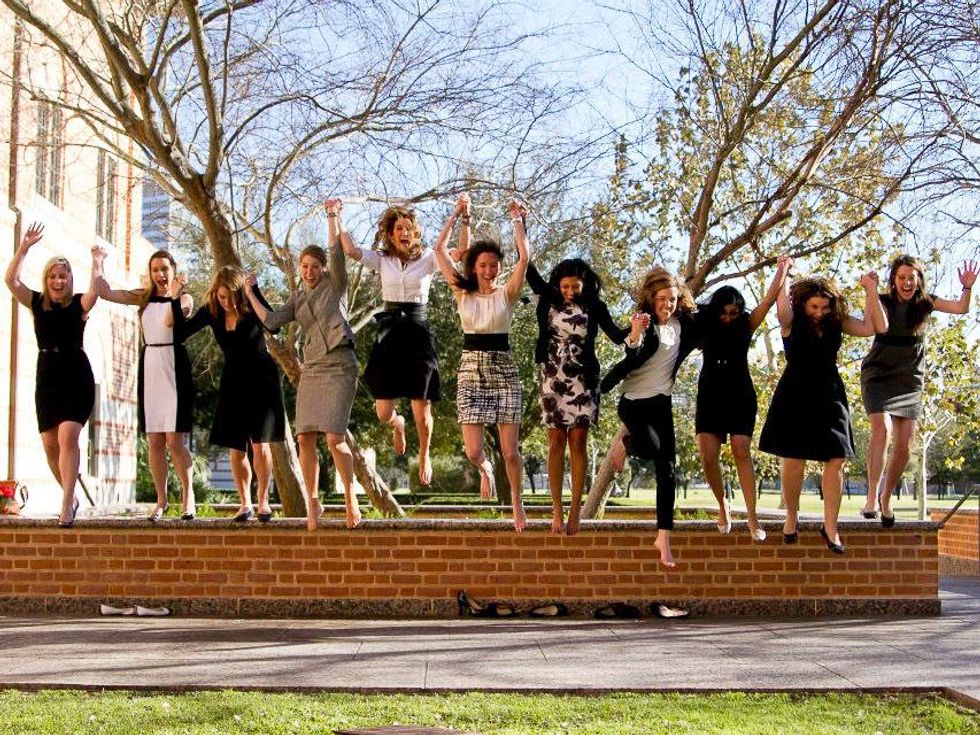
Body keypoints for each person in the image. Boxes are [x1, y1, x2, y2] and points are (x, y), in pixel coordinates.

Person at [244, 201, 360, 530]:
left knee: (335, 438)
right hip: (312, 369)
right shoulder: (298, 298)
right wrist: (251, 293)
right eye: (304, 266)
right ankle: (313, 502)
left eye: (314, 266)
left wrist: (332, 216)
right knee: (304, 439)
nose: (309, 271)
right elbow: (270, 320)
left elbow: (336, 250)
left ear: (323, 267)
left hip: (339, 365)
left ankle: (350, 496)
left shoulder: (335, 282)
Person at [759, 269, 887, 554]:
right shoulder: (791, 322)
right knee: (793, 460)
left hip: (829, 392)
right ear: (803, 303)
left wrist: (870, 289)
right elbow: (781, 312)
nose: (819, 312)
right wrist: (782, 273)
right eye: (814, 307)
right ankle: (792, 516)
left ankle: (830, 527)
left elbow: (874, 327)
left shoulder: (836, 322)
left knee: (837, 458)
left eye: (825, 307)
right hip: (795, 392)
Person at [433, 194, 530, 532]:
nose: (489, 270)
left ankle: (516, 502)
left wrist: (518, 222)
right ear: (473, 267)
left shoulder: (508, 293)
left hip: (503, 369)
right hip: (471, 370)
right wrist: (460, 215)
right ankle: (485, 470)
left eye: (493, 265)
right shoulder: (463, 293)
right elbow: (438, 251)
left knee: (511, 451)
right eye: (482, 265)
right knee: (474, 451)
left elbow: (525, 257)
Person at [860, 256, 978, 526]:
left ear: (919, 280)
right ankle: (870, 498)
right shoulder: (883, 301)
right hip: (878, 375)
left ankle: (885, 497)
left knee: (904, 446)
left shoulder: (926, 303)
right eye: (902, 277)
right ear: (894, 280)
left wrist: (968, 287)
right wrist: (869, 290)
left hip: (909, 380)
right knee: (882, 429)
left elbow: (961, 308)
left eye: (912, 278)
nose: (907, 282)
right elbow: (870, 324)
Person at [338, 202, 446, 486]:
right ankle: (398, 425)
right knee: (384, 412)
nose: (405, 232)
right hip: (390, 333)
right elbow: (350, 249)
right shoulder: (381, 259)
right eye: (399, 228)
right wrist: (336, 216)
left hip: (418, 333)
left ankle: (424, 453)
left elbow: (459, 253)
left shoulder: (429, 258)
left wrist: (465, 219)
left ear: (416, 233)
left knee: (421, 412)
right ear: (390, 233)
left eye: (409, 228)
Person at [600, 267, 700, 568]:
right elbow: (632, 352)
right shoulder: (643, 323)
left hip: (661, 403)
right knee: (649, 449)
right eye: (661, 299)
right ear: (650, 299)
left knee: (668, 469)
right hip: (633, 405)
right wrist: (634, 333)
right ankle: (625, 440)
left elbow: (707, 315)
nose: (667, 305)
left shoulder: (684, 325)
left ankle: (664, 537)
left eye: (671, 299)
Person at [4, 222, 101, 527]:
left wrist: (97, 262)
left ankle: (65, 505)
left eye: (63, 276)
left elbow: (95, 292)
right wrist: (24, 248)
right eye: (53, 276)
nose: (58, 281)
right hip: (47, 376)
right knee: (50, 447)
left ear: (70, 279)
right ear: (47, 280)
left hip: (76, 374)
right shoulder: (36, 302)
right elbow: (10, 279)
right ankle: (70, 496)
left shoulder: (78, 304)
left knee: (68, 436)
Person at [527, 257, 630, 535]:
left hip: (583, 377)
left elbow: (618, 336)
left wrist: (639, 324)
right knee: (556, 440)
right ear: (558, 284)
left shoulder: (595, 306)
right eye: (565, 286)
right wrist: (519, 223)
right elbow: (529, 268)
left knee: (579, 439)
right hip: (552, 373)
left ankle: (575, 512)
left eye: (575, 287)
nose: (570, 292)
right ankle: (557, 512)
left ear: (584, 285)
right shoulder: (549, 298)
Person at [695, 255, 791, 542]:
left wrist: (782, 270)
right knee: (708, 456)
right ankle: (723, 506)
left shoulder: (746, 325)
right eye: (724, 313)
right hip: (710, 393)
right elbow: (679, 302)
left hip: (739, 392)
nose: (728, 317)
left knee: (740, 449)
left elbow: (769, 299)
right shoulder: (703, 325)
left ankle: (752, 516)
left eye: (733, 313)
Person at [181, 266, 286, 523]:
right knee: (236, 448)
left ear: (239, 292)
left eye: (230, 296)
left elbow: (274, 328)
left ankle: (263, 502)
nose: (226, 302)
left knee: (260, 445)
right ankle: (245, 503)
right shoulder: (212, 310)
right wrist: (177, 297)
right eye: (221, 296)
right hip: (233, 381)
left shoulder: (250, 304)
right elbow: (181, 332)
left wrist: (254, 291)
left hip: (262, 379)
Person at [98, 249, 196, 521]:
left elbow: (170, 319)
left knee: (175, 441)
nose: (160, 274)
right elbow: (105, 292)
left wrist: (175, 294)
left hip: (173, 365)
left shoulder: (185, 298)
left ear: (173, 270)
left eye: (165, 269)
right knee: (154, 440)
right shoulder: (143, 297)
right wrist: (98, 262)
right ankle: (161, 500)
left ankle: (188, 497)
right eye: (155, 270)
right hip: (150, 364)